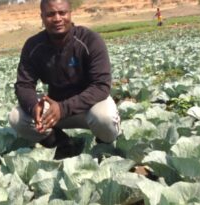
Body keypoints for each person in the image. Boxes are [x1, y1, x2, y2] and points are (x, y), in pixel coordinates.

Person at [8, 0, 120, 159]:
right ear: (42, 17)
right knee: (17, 118)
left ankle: (103, 146)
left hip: (89, 106)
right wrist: (34, 107)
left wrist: (63, 108)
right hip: (55, 109)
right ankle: (62, 144)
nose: (57, 18)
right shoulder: (33, 46)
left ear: (70, 13)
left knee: (105, 118)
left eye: (62, 13)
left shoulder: (90, 40)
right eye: (50, 14)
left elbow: (101, 86)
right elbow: (23, 85)